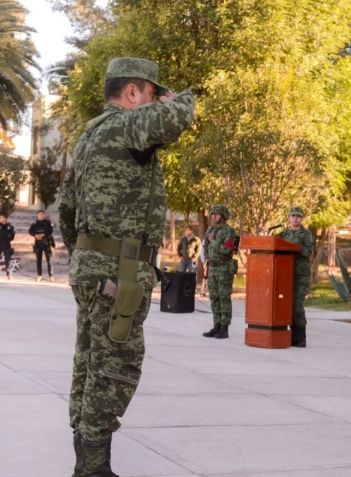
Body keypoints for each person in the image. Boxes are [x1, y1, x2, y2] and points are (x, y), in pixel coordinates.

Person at [57, 57, 195, 477]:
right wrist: (179, 97)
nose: (156, 102)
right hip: (119, 270)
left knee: (89, 363)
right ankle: (93, 470)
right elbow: (179, 115)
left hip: (93, 265)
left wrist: (86, 255)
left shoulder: (89, 134)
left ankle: (88, 463)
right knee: (115, 368)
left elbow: (66, 208)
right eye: (151, 93)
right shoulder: (125, 126)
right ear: (133, 93)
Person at [277, 206, 314, 347]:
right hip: (286, 274)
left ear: (302, 218)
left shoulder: (306, 234)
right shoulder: (283, 234)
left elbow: (308, 252)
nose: (295, 219)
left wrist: (296, 247)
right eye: (293, 216)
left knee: (297, 305)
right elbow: (273, 244)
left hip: (300, 275)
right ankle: (291, 335)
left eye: (298, 216)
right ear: (289, 217)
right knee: (287, 305)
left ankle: (301, 336)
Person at [202, 204, 238, 339]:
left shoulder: (229, 231)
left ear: (223, 216)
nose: (213, 216)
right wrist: (207, 258)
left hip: (224, 268)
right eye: (212, 214)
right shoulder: (210, 229)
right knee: (214, 297)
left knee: (224, 297)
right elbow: (205, 246)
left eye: (216, 214)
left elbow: (228, 249)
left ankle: (224, 327)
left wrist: (214, 241)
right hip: (212, 267)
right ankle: (216, 325)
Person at [29, 209, 56, 282]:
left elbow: (50, 231)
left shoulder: (48, 222)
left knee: (49, 260)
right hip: (38, 244)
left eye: (42, 214)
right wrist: (35, 235)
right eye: (40, 214)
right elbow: (30, 231)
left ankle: (51, 276)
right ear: (37, 215)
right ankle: (39, 275)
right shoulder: (35, 223)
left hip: (46, 243)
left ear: (44, 215)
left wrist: (43, 234)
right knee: (38, 260)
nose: (41, 216)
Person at [0, 214, 15, 280]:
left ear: (5, 218)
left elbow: (12, 236)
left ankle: (8, 275)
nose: (0, 218)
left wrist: (7, 238)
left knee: (7, 260)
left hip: (6, 244)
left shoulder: (10, 226)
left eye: (1, 217)